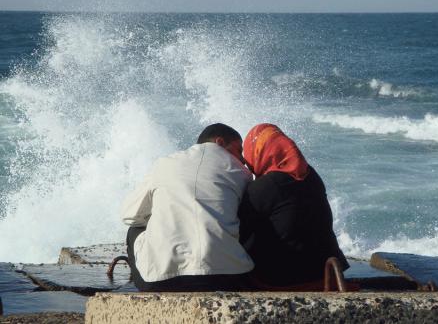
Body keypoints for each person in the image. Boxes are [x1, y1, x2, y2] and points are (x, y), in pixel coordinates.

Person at [121, 123, 254, 291]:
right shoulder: (243, 173)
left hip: (158, 282)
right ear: (220, 142)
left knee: (135, 229)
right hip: (227, 278)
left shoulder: (164, 163)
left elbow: (129, 216)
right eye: (238, 150)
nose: (242, 159)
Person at [238, 123, 349, 287]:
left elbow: (241, 231)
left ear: (258, 152)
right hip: (326, 271)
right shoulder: (311, 175)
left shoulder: (264, 186)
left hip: (288, 276)